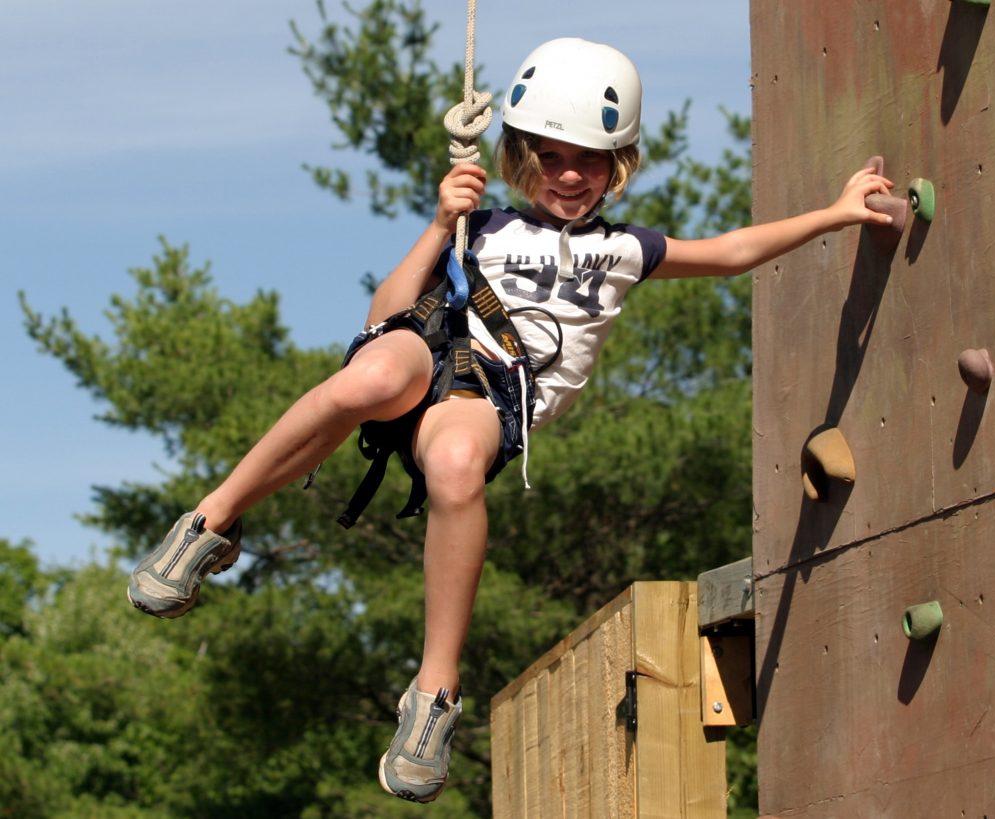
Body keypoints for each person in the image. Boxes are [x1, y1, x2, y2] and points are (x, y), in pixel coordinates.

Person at [127, 37, 894, 803]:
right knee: (369, 374)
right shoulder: (483, 226)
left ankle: (433, 693)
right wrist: (438, 224)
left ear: (618, 164)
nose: (568, 175)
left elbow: (731, 251)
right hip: (430, 348)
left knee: (458, 464)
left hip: (487, 399)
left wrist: (834, 213)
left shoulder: (627, 250)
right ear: (521, 156)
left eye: (588, 161)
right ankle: (210, 523)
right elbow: (380, 316)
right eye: (551, 157)